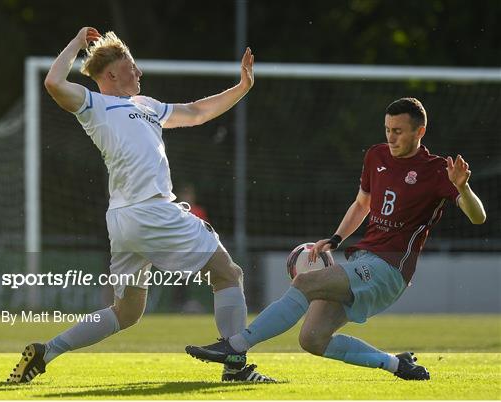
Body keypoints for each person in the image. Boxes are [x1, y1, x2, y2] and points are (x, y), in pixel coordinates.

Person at [8, 27, 274, 383]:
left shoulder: (146, 106)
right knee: (228, 274)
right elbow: (54, 83)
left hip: (123, 220)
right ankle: (236, 366)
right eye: (132, 66)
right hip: (151, 211)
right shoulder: (94, 105)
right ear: (113, 73)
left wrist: (242, 87)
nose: (140, 73)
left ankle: (47, 351)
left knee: (127, 312)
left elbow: (195, 113)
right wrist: (75, 43)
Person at [186, 97, 486, 381]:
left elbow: (478, 217)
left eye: (398, 132)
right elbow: (361, 204)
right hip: (362, 259)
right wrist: (335, 238)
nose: (391, 138)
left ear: (420, 131)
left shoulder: (437, 171)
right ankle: (398, 364)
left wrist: (463, 189)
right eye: (387, 130)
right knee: (312, 339)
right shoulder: (376, 156)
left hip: (388, 270)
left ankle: (235, 347)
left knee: (305, 282)